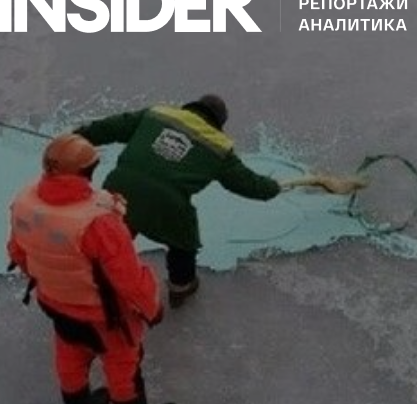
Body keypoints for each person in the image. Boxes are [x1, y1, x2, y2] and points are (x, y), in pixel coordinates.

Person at [7, 133, 179, 404]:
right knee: (122, 364)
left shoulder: (24, 204)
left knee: (70, 354)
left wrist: (54, 279)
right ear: (90, 170)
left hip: (54, 302)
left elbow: (18, 252)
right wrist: (153, 309)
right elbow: (128, 279)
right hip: (104, 316)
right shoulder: (100, 223)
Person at [73, 94, 283, 308]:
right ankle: (181, 286)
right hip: (168, 204)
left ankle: (95, 274)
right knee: (184, 241)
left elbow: (111, 127)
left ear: (191, 108)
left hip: (120, 187)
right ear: (219, 123)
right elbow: (247, 183)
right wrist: (273, 188)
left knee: (115, 231)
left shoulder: (156, 115)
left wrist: (77, 138)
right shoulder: (218, 148)